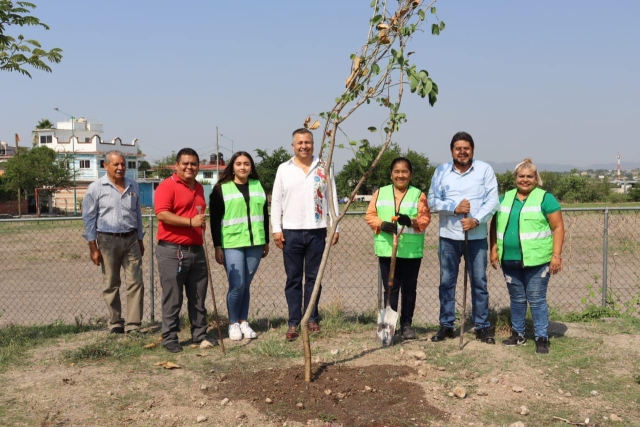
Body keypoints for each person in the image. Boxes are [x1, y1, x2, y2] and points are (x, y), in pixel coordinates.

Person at [427, 131, 499, 344]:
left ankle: (482, 326)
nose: (462, 152)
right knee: (447, 282)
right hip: (449, 237)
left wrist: (475, 219)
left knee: (479, 282)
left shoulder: (485, 170)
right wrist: (454, 208)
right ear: (452, 151)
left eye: (466, 148)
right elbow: (431, 202)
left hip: (476, 237)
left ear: (472, 150)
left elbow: (493, 201)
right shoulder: (440, 171)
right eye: (458, 148)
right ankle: (446, 325)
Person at [490, 158, 564, 354]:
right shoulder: (504, 198)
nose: (525, 180)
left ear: (536, 178)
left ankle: (541, 337)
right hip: (510, 259)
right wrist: (494, 248)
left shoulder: (545, 198)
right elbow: (494, 224)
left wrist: (556, 255)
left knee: (537, 299)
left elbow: (557, 227)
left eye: (529, 176)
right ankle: (518, 334)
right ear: (515, 178)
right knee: (517, 299)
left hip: (537, 260)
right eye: (521, 176)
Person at [271, 128, 340, 341]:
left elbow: (332, 197)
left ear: (313, 144)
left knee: (314, 278)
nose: (304, 146)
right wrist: (276, 228)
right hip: (290, 232)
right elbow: (276, 200)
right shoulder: (284, 169)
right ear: (293, 146)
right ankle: (293, 322)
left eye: (308, 142)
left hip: (316, 230)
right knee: (293, 279)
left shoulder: (323, 168)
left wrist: (335, 227)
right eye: (300, 143)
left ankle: (311, 318)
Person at [154, 148, 216, 353]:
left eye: (193, 164)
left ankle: (199, 333)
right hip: (173, 251)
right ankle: (170, 336)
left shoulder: (199, 187)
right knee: (173, 297)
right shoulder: (166, 186)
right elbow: (162, 214)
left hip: (196, 250)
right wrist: (190, 222)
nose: (189, 167)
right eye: (185, 163)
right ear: (176, 165)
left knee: (198, 295)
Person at [365, 157, 431, 339]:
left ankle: (407, 325)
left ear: (410, 174)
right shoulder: (380, 193)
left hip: (410, 252)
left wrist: (411, 221)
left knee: (409, 289)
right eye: (397, 171)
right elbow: (370, 215)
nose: (400, 175)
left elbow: (425, 219)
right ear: (391, 174)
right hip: (387, 249)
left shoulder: (418, 195)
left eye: (404, 172)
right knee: (391, 288)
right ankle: (389, 326)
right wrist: (382, 224)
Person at [82, 150, 145, 334]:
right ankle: (116, 323)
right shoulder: (96, 188)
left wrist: (140, 238)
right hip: (107, 240)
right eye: (116, 164)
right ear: (106, 166)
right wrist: (93, 246)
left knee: (136, 282)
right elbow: (89, 218)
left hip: (131, 239)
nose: (120, 168)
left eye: (123, 164)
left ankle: (134, 326)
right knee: (111, 283)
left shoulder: (133, 185)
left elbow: (138, 214)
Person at [210, 151, 269, 341]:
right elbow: (215, 220)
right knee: (237, 284)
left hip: (255, 243)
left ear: (251, 166)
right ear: (232, 167)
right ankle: (233, 322)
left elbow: (264, 216)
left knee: (247, 284)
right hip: (232, 243)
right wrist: (218, 246)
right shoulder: (221, 188)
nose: (243, 167)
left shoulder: (258, 185)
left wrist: (266, 240)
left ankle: (244, 321)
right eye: (239, 164)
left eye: (246, 163)